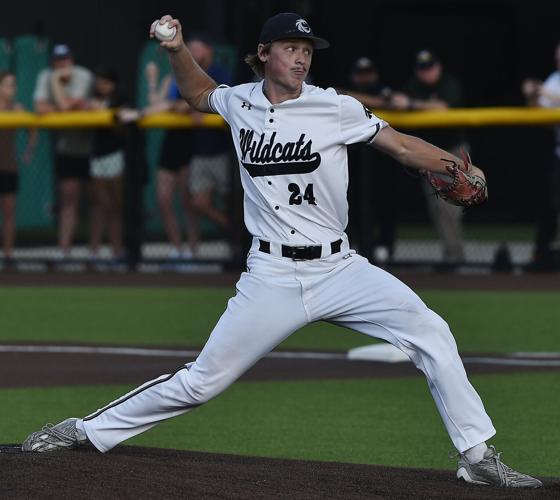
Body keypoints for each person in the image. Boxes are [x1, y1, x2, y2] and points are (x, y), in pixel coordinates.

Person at [22, 13, 541, 489]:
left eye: (308, 50)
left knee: (431, 331)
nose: (302, 57)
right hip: (270, 274)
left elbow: (401, 145)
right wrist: (176, 49)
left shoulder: (334, 106)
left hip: (340, 267)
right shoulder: (240, 101)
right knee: (201, 383)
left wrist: (455, 164)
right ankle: (84, 430)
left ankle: (475, 456)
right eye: (291, 47)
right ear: (264, 52)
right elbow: (198, 92)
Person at [397, 50, 468, 267]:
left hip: (452, 151)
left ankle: (455, 257)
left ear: (438, 67)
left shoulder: (448, 83)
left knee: (450, 206)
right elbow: (395, 104)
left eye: (430, 68)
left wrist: (411, 105)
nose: (427, 73)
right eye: (422, 69)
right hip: (427, 153)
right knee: (437, 207)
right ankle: (452, 255)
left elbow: (443, 108)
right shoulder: (412, 86)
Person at [339, 57, 406, 264]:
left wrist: (354, 99)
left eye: (368, 73)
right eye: (361, 73)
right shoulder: (347, 92)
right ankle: (356, 249)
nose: (365, 77)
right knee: (353, 206)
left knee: (385, 206)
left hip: (382, 162)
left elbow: (394, 102)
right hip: (354, 163)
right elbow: (337, 93)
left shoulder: (381, 89)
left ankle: (385, 248)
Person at [33, 44, 94, 261]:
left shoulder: (83, 75)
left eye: (66, 60)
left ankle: (97, 253)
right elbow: (40, 108)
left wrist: (58, 95)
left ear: (72, 60)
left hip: (92, 146)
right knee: (69, 199)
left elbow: (67, 106)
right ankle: (64, 251)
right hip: (67, 147)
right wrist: (57, 81)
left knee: (99, 200)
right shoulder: (47, 75)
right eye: (58, 61)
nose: (62, 64)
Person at [522, 42, 560, 271]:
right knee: (553, 206)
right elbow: (540, 116)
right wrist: (532, 95)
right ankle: (544, 256)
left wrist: (545, 92)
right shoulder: (555, 79)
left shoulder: (552, 86)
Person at [88, 67, 131, 267]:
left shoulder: (120, 101)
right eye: (100, 81)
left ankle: (117, 250)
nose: (101, 85)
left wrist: (106, 111)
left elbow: (124, 127)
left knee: (115, 205)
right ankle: (94, 252)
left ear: (113, 85)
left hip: (114, 155)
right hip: (97, 157)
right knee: (100, 205)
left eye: (106, 82)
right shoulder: (91, 100)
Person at [0, 70, 36, 268]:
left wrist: (29, 151)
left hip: (8, 167)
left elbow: (33, 128)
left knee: (9, 214)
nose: (11, 89)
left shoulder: (17, 108)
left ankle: (8, 255)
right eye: (7, 84)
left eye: (13, 85)